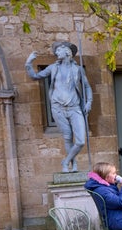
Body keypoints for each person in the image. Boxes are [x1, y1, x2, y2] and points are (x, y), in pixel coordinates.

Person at [25, 41, 93, 173]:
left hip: (74, 108)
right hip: (58, 108)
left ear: (67, 51)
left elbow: (87, 87)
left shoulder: (77, 69)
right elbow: (35, 76)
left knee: (80, 141)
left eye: (58, 50)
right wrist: (28, 63)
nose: (56, 53)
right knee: (67, 137)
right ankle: (72, 165)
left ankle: (66, 161)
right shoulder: (53, 68)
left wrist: (89, 102)